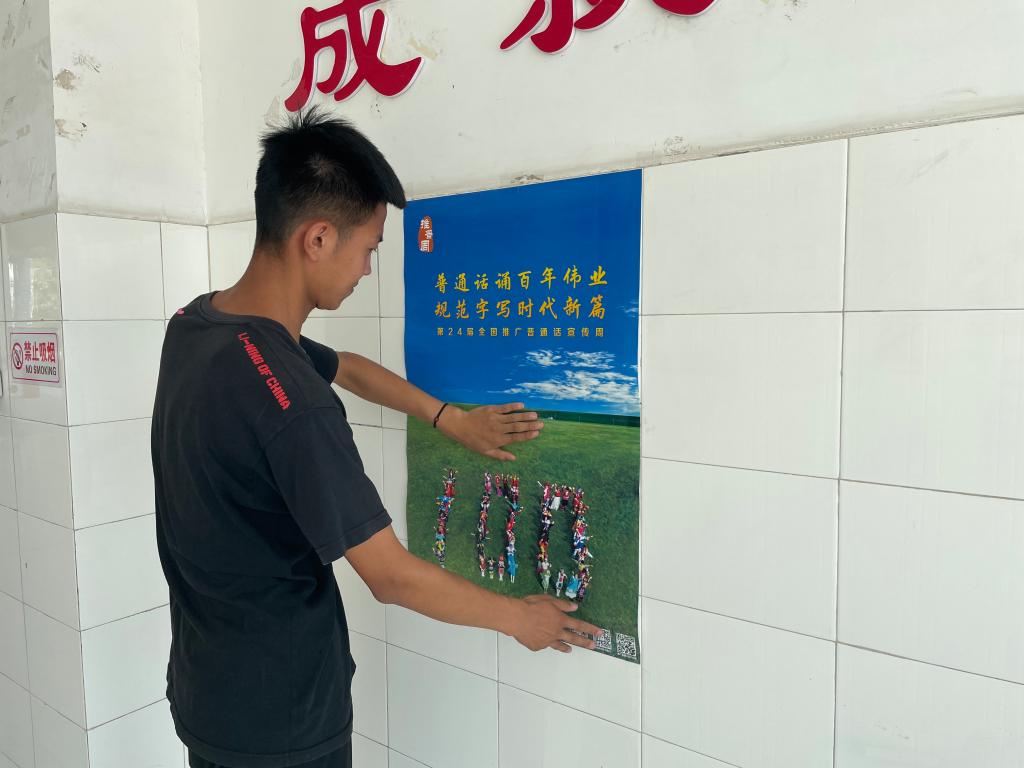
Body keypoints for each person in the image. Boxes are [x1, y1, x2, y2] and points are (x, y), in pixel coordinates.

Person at [151, 107, 599, 768]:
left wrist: (449, 418)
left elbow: (348, 368)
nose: (366, 270)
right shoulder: (295, 405)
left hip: (208, 692)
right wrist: (518, 618)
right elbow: (389, 575)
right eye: (367, 249)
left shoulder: (199, 326)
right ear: (318, 239)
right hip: (284, 726)